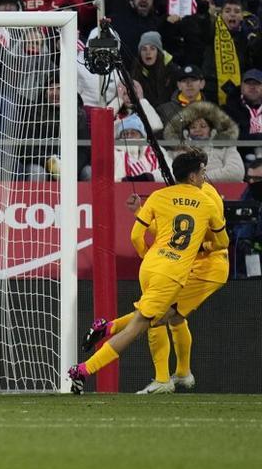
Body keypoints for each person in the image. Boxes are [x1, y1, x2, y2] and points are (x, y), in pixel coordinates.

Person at [69, 150, 228, 394]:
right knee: (149, 322)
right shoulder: (208, 200)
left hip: (157, 265)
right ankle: (86, 369)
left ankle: (175, 373)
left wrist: (148, 254)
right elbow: (220, 241)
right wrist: (199, 247)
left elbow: (142, 235)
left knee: (168, 317)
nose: (206, 175)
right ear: (194, 175)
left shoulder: (160, 194)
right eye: (203, 170)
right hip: (178, 269)